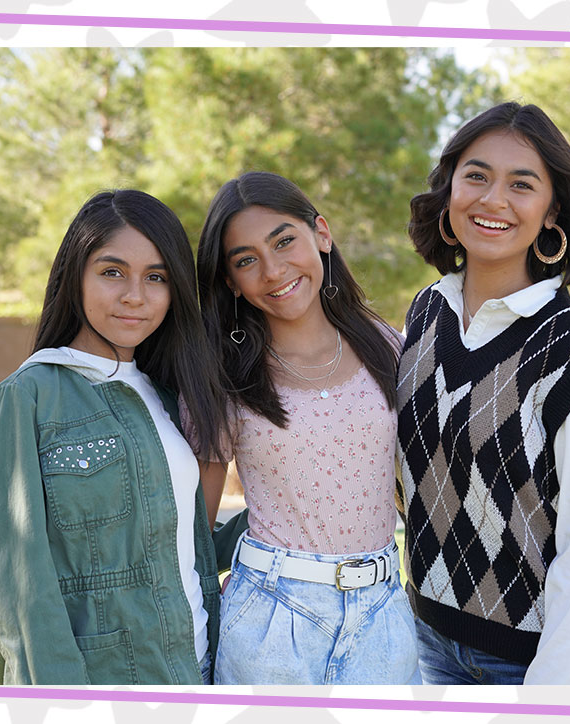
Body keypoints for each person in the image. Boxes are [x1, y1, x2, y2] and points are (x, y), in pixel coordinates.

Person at [397, 102, 570, 685]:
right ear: (449, 191)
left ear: (552, 213)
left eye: (522, 185)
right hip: (427, 642)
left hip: (537, 662)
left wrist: (550, 694)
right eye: (476, 176)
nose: (493, 199)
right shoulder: (426, 313)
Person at [0, 189, 241, 685]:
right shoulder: (29, 395)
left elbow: (184, 547)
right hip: (105, 681)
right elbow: (21, 587)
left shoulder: (168, 396)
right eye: (111, 272)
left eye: (157, 277)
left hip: (199, 664)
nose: (135, 296)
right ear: (75, 274)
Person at [184, 171, 420, 685]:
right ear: (230, 281)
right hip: (271, 618)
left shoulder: (387, 344)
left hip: (383, 612)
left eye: (284, 241)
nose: (273, 271)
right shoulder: (224, 370)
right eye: (246, 260)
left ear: (322, 234)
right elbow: (198, 521)